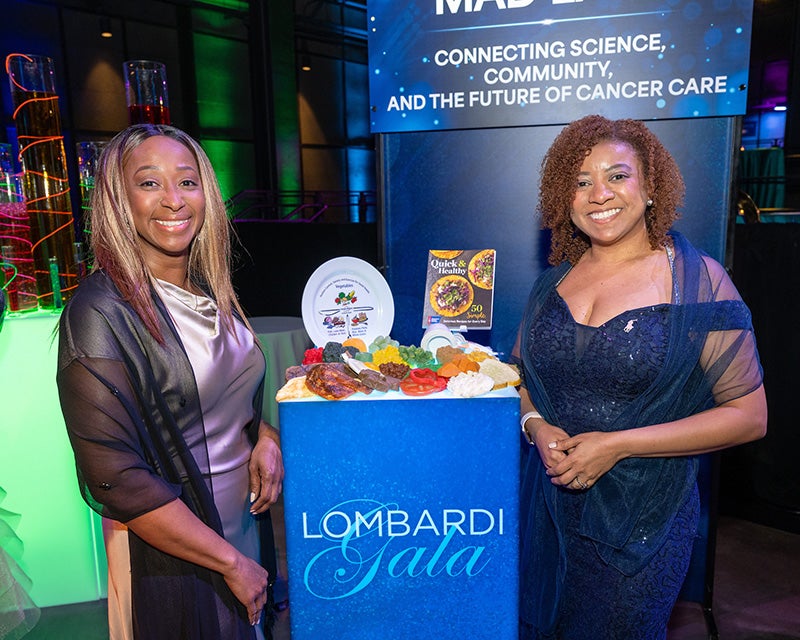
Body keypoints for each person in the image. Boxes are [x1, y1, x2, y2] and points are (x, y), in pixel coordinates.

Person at [514, 115, 767, 640]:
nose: (598, 193)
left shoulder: (698, 283)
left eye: (618, 175)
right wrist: (536, 424)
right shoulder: (551, 283)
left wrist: (619, 445)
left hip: (642, 528)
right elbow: (516, 376)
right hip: (549, 513)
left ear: (651, 187)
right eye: (581, 182)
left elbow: (749, 416)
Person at [56, 124, 284, 640]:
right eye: (149, 182)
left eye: (186, 181)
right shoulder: (100, 312)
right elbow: (115, 478)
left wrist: (265, 436)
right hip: (179, 556)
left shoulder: (209, 290)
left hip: (240, 529)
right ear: (119, 198)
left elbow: (224, 398)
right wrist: (229, 562)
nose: (173, 200)